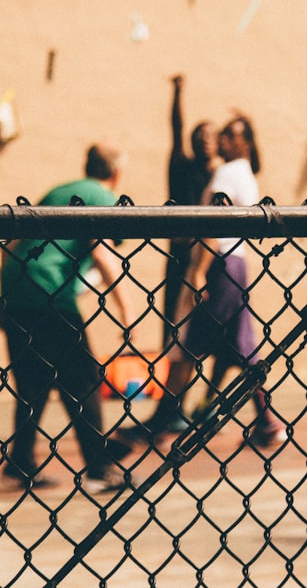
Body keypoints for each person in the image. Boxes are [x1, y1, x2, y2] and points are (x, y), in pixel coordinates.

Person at [122, 113, 284, 448]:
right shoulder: (245, 175)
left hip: (218, 264)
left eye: (230, 135)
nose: (222, 140)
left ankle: (159, 425)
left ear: (246, 143)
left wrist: (198, 270)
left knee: (187, 347)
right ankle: (268, 423)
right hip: (236, 265)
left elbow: (218, 217)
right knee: (244, 349)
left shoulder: (227, 173)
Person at [0, 143, 136, 493]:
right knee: (83, 380)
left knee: (33, 383)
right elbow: (101, 248)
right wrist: (128, 310)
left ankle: (21, 461)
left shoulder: (58, 191)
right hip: (50, 295)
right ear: (117, 174)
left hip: (17, 291)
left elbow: (15, 242)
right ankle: (99, 467)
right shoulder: (102, 195)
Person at [163, 74, 221, 350]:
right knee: (174, 319)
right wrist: (177, 93)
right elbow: (176, 128)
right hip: (181, 252)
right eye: (201, 135)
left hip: (207, 255)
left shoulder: (222, 176)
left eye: (212, 135)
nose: (206, 140)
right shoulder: (181, 166)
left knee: (209, 321)